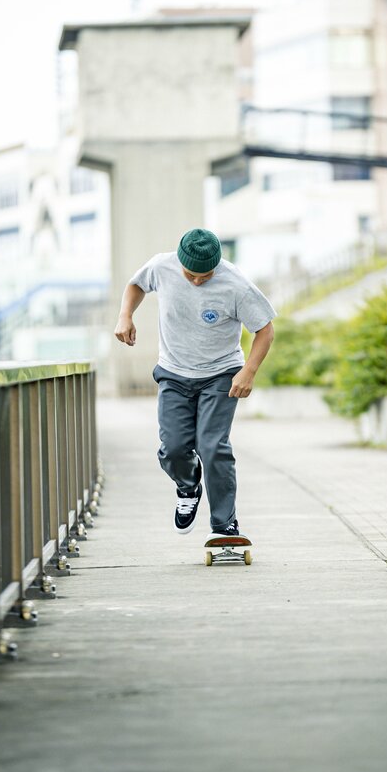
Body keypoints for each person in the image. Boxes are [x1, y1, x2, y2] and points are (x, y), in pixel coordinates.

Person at [114, 228, 276, 542]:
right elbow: (135, 284)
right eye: (191, 276)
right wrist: (125, 315)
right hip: (174, 373)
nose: (199, 281)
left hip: (220, 374)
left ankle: (224, 524)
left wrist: (249, 371)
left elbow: (265, 330)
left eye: (206, 276)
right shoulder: (162, 266)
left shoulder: (237, 284)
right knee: (174, 449)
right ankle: (188, 485)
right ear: (180, 263)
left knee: (213, 447)